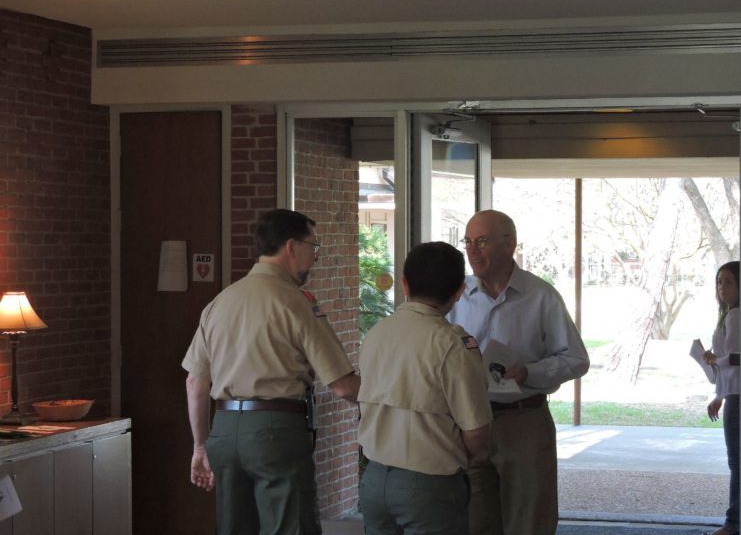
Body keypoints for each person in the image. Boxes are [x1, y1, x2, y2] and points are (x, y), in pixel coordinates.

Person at [182, 208, 360, 535]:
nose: (316, 258)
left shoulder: (220, 302)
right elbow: (343, 386)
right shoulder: (296, 302)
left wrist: (200, 446)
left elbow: (195, 382)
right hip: (276, 430)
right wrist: (390, 395)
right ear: (291, 246)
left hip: (224, 429)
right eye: (314, 247)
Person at [446, 209, 590, 535]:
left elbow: (576, 359)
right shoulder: (456, 297)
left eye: (482, 241)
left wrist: (530, 372)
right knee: (474, 522)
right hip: (469, 421)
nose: (472, 250)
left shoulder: (541, 296)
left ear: (509, 244)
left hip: (524, 422)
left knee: (529, 521)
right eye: (467, 242)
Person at [358, 241, 493, 535]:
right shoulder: (452, 344)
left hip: (374, 479)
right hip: (430, 482)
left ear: (404, 283)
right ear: (459, 291)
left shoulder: (375, 334)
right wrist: (456, 459)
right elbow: (476, 430)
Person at [702, 261, 740, 535]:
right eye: (719, 281)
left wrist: (716, 360)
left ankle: (734, 523)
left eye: (728, 281)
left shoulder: (737, 315)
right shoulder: (728, 314)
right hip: (733, 394)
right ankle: (738, 520)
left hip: (740, 397)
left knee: (737, 461)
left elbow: (738, 358)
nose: (722, 287)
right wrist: (719, 396)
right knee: (737, 460)